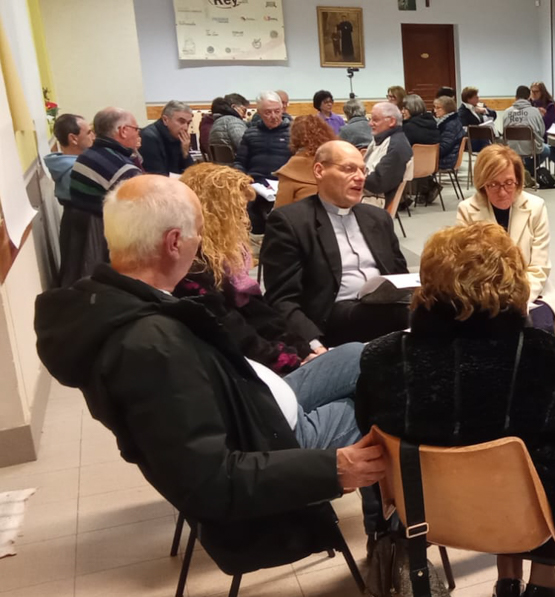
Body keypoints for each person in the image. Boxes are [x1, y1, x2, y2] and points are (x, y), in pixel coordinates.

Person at [35, 175, 387, 572]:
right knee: (386, 402)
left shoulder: (126, 302)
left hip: (254, 405)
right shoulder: (153, 347)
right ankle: (391, 549)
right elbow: (210, 480)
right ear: (174, 242)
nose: (201, 242)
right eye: (198, 233)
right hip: (269, 438)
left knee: (367, 357)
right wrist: (333, 469)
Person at [354, 222, 555, 597]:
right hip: (524, 516)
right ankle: (543, 581)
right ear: (512, 283)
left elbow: (368, 428)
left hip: (426, 514)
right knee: (554, 448)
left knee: (511, 445)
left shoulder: (382, 356)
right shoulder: (540, 356)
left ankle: (508, 579)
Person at [262, 140, 410, 347]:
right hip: (331, 318)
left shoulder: (377, 218)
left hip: (386, 308)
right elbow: (281, 299)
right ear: (319, 171)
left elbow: (402, 277)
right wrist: (312, 344)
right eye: (349, 169)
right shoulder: (291, 222)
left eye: (363, 170)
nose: (360, 177)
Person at [175, 163, 309, 375]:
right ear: (214, 213)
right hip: (244, 374)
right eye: (237, 211)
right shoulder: (192, 271)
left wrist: (303, 349)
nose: (244, 219)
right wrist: (292, 360)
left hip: (262, 363)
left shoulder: (226, 260)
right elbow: (235, 334)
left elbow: (260, 316)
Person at [456, 144, 555, 339]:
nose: (502, 192)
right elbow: (469, 268)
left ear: (518, 181)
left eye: (509, 183)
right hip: (485, 294)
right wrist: (495, 300)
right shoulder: (467, 210)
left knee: (540, 330)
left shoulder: (536, 207)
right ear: (482, 184)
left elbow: (539, 268)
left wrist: (519, 300)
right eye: (493, 184)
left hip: (531, 290)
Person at [62, 107, 144, 286]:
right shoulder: (122, 168)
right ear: (123, 130)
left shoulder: (86, 156)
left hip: (81, 247)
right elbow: (144, 212)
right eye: (136, 129)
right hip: (105, 249)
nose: (138, 134)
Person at [236, 91, 292, 233]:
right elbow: (240, 162)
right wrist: (242, 180)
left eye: (277, 111)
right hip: (255, 185)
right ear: (259, 113)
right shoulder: (250, 133)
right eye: (268, 112)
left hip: (283, 184)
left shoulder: (293, 133)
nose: (273, 116)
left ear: (282, 110)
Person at [274, 115, 337, 208]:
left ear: (294, 138)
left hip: (301, 216)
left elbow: (280, 209)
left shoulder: (291, 170)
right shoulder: (336, 161)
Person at [364, 102, 413, 205]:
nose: (370, 123)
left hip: (373, 201)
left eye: (375, 120)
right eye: (370, 119)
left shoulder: (396, 146)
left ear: (391, 121)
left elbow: (378, 183)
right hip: (367, 195)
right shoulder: (382, 139)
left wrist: (353, 176)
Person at [503, 86, 555, 175]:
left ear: (516, 97)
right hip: (531, 148)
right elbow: (541, 132)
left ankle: (520, 170)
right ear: (529, 97)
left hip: (511, 148)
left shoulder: (507, 112)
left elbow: (504, 131)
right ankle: (528, 170)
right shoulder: (535, 112)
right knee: (547, 150)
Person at [44, 113, 94, 205]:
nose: (93, 137)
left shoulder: (63, 166)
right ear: (73, 139)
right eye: (88, 133)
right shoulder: (77, 172)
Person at [401, 95, 441, 204]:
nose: (402, 111)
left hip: (413, 168)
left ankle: (400, 199)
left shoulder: (408, 127)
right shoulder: (432, 123)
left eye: (405, 109)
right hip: (430, 167)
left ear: (412, 109)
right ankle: (427, 187)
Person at [138, 100, 195, 176]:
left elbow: (193, 175)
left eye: (188, 123)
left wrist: (185, 153)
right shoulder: (148, 137)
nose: (185, 127)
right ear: (165, 120)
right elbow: (157, 175)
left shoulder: (177, 136)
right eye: (181, 121)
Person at [433, 95, 464, 170]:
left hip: (446, 160)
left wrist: (429, 152)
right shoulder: (450, 121)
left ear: (447, 108)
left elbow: (444, 147)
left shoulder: (450, 124)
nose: (435, 111)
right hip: (447, 157)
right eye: (434, 107)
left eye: (438, 108)